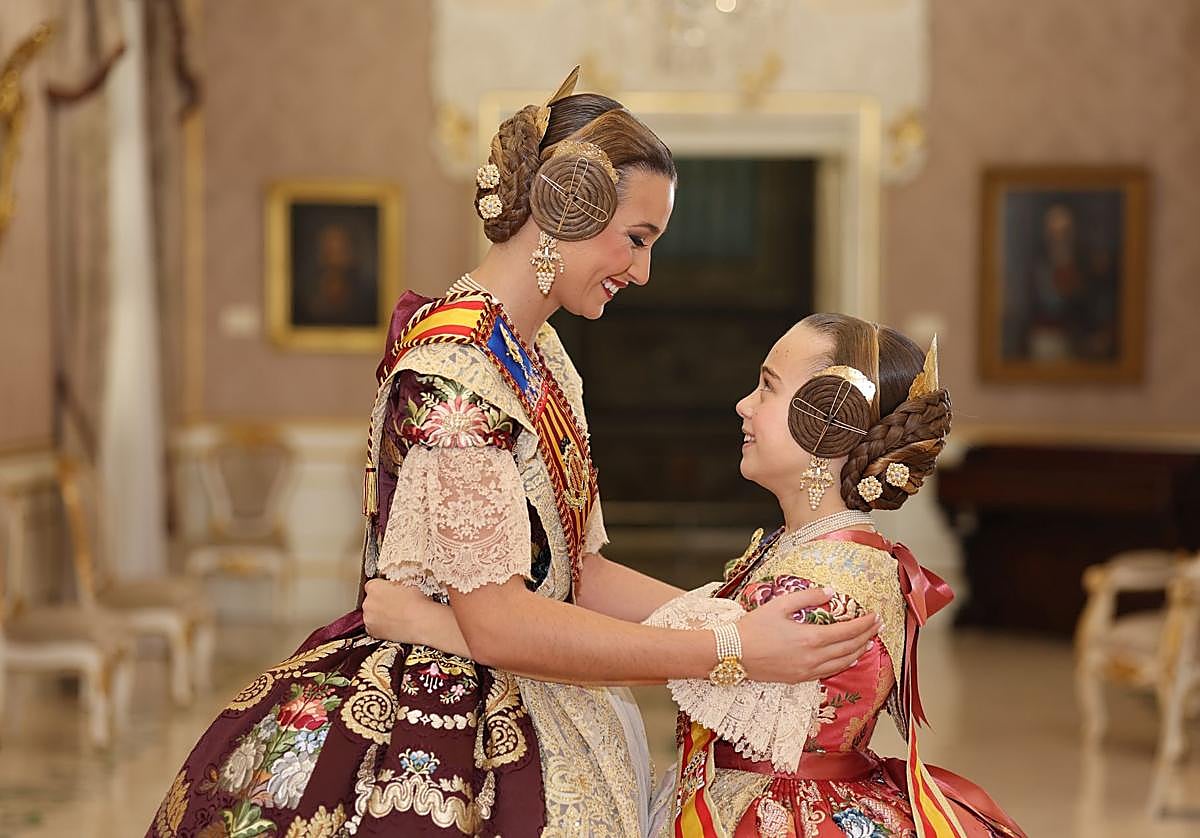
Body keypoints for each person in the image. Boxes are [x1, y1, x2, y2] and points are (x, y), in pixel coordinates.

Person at [146, 69, 879, 838]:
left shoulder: (543, 356)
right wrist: (728, 649)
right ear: (564, 207)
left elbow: (578, 573)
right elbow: (497, 625)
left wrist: (729, 617)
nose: (643, 271)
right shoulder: (456, 367)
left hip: (535, 692)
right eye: (636, 239)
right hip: (446, 726)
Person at [372, 314, 1028, 837]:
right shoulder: (802, 551)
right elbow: (702, 623)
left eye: (768, 386)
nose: (744, 404)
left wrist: (436, 625)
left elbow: (680, 657)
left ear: (826, 422)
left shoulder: (832, 577)